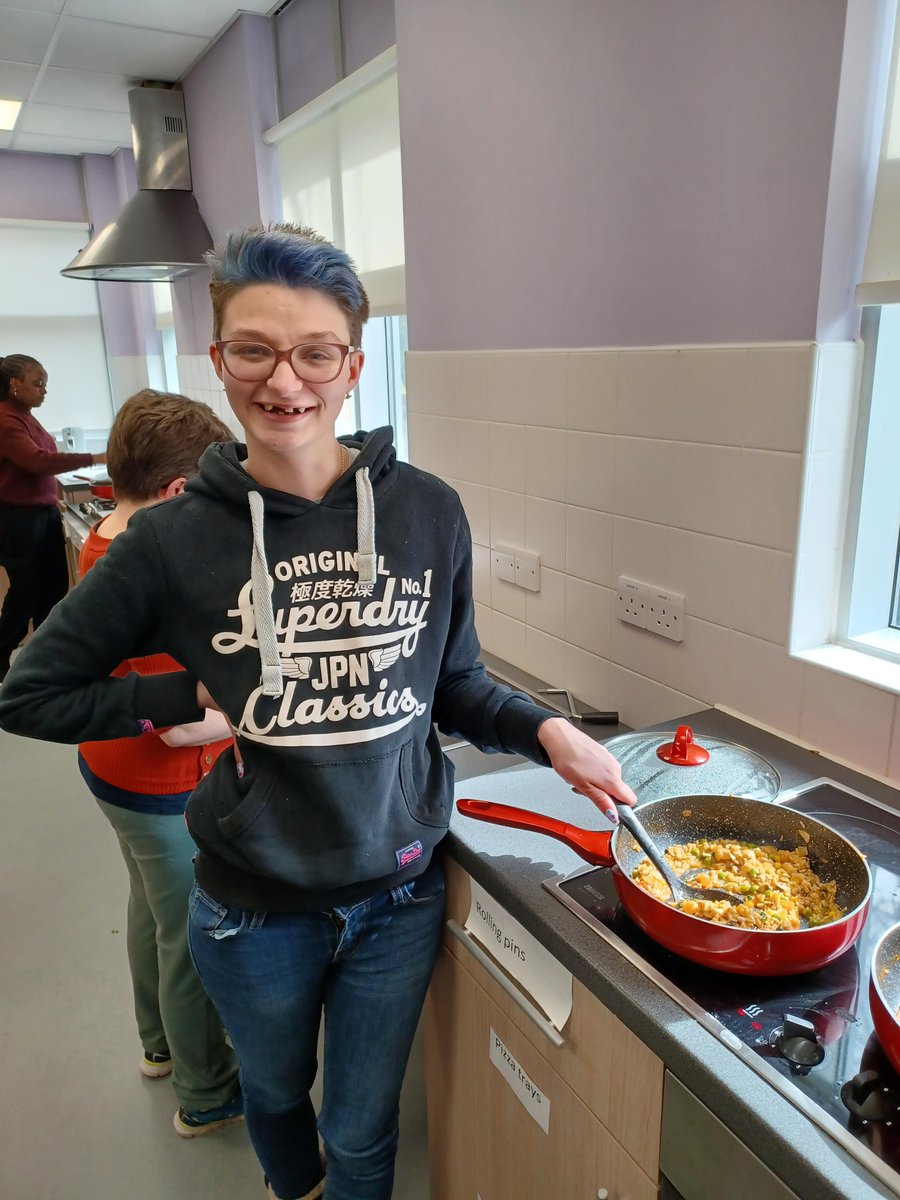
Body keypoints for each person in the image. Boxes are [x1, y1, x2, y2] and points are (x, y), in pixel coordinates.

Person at [0, 223, 638, 1200]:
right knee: (277, 1094)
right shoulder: (171, 541)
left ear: (353, 364)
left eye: (314, 352)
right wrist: (184, 694)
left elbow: (454, 682)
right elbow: (28, 690)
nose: (284, 381)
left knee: (366, 1124)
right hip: (254, 910)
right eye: (253, 349)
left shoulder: (429, 511)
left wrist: (551, 736)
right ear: (219, 359)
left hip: (399, 896)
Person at [76, 389, 242, 1137]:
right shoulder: (147, 574)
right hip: (160, 782)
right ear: (178, 491)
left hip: (111, 770)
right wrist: (261, 713)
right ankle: (205, 1092)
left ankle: (158, 1047)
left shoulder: (105, 537)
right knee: (192, 938)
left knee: (150, 908)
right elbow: (179, 730)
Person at [0, 354, 106, 680]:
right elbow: (38, 461)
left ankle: (44, 657)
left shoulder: (26, 416)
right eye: (38, 383)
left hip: (41, 516)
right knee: (26, 592)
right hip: (18, 520)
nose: (44, 390)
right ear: (15, 385)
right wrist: (96, 457)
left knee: (55, 587)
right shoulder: (6, 420)